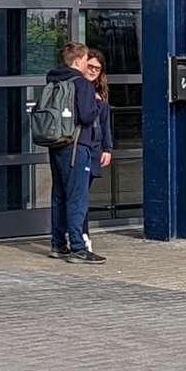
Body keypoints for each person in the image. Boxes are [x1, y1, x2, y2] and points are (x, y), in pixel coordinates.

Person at [44, 41, 107, 264]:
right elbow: (88, 116)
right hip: (77, 145)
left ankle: (57, 244)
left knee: (59, 195)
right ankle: (79, 248)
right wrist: (98, 104)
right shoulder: (82, 84)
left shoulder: (53, 78)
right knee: (77, 198)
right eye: (85, 60)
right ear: (79, 60)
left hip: (56, 143)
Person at [79, 49, 116, 254]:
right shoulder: (79, 89)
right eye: (90, 66)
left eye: (97, 68)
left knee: (84, 194)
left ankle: (81, 234)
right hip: (81, 148)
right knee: (79, 195)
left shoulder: (100, 92)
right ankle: (81, 235)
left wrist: (107, 148)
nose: (93, 71)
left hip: (95, 149)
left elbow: (105, 123)